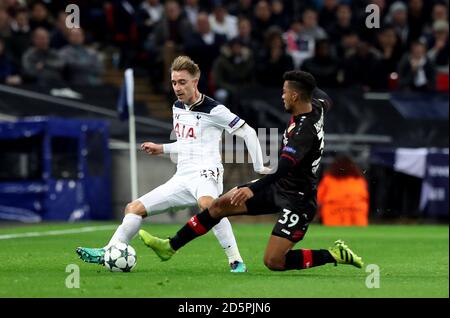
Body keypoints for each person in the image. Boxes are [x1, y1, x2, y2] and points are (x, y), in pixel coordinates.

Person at [139, 70, 364, 272]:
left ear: (295, 96)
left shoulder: (304, 132)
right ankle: (170, 246)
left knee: (274, 262)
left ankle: (333, 255)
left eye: (285, 92)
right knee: (218, 206)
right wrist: (303, 79)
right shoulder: (317, 105)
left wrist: (253, 188)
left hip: (298, 199)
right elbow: (324, 96)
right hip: (278, 187)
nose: (282, 96)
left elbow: (285, 166)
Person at [76, 56, 269, 273]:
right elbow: (187, 144)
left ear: (195, 81)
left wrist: (259, 166)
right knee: (133, 208)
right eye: (174, 82)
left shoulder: (214, 110)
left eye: (182, 82)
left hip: (206, 173)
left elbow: (249, 132)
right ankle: (110, 250)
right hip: (182, 177)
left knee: (210, 207)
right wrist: (162, 148)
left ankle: (236, 261)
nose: (177, 87)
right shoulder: (177, 107)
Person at [317, 155, 369, 226]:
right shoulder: (359, 180)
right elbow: (365, 198)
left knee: (335, 235)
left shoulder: (328, 179)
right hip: (357, 210)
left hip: (334, 211)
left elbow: (318, 199)